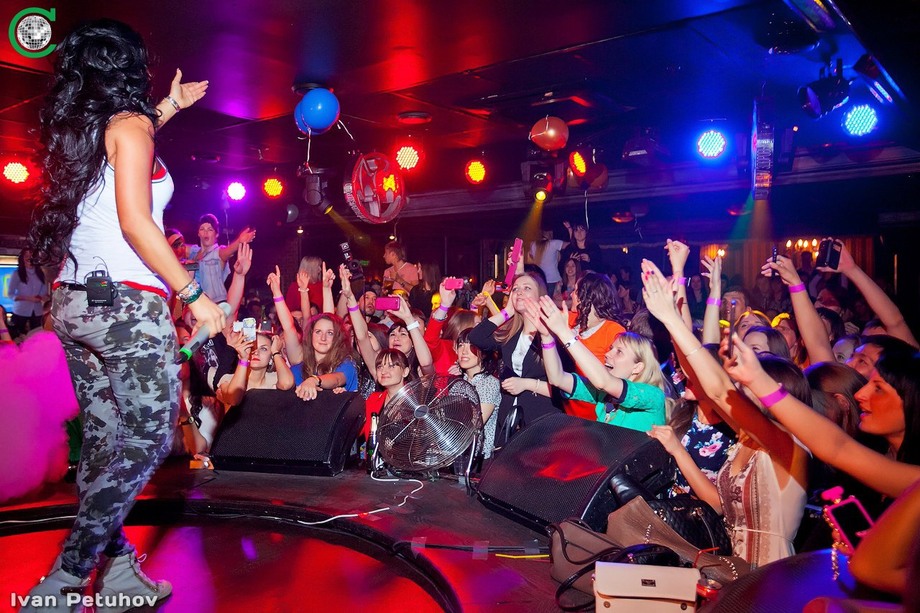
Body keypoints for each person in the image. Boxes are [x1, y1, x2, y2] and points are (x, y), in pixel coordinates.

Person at [24, 19, 225, 609]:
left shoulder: (85, 132)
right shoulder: (129, 126)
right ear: (130, 67)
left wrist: (171, 105)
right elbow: (136, 223)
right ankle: (66, 577)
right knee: (149, 438)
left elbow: (130, 141)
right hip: (126, 309)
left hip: (75, 304)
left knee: (106, 441)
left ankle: (114, 574)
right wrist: (194, 294)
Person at [468, 272, 562, 445]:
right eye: (516, 289)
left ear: (540, 297)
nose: (519, 292)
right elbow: (476, 337)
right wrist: (507, 311)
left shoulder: (552, 337)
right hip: (509, 423)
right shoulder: (511, 336)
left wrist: (527, 384)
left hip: (541, 422)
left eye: (527, 288)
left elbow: (564, 388)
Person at [187, 213, 256, 302]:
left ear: (216, 234)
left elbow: (228, 251)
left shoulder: (218, 252)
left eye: (210, 229)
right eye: (202, 229)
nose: (205, 232)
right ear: (198, 233)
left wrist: (239, 241)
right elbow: (175, 247)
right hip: (195, 304)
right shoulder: (193, 252)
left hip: (216, 303)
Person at [8, 248, 48, 339]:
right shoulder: (17, 274)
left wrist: (41, 297)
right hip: (20, 311)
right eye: (26, 256)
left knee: (37, 337)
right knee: (17, 336)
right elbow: (11, 294)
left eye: (31, 256)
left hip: (37, 311)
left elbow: (44, 291)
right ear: (22, 258)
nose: (29, 258)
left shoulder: (40, 273)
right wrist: (29, 298)